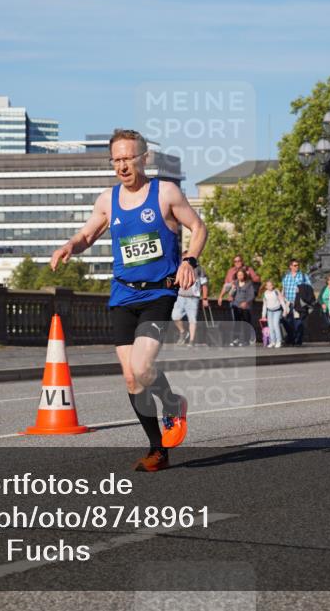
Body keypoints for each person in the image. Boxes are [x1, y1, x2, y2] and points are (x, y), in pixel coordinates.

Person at [51, 129, 206, 472]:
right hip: (123, 293)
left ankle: (173, 403)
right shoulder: (108, 200)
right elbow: (88, 234)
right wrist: (68, 247)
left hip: (158, 293)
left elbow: (199, 228)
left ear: (143, 158)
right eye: (116, 159)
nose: (122, 166)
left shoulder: (165, 192)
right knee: (132, 379)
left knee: (142, 366)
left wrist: (188, 260)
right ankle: (157, 450)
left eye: (128, 158)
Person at [172, 251, 209, 346]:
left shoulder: (199, 269)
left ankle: (191, 341)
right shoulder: (179, 268)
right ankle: (183, 332)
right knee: (175, 317)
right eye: (184, 258)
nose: (185, 261)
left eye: (187, 258)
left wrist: (205, 298)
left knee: (192, 320)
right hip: (180, 297)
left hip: (193, 298)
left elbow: (204, 284)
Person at [281, 259, 312, 346]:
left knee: (298, 323)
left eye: (297, 265)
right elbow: (283, 289)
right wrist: (282, 299)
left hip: (299, 303)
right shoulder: (286, 277)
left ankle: (298, 341)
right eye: (295, 265)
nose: (297, 267)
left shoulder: (303, 276)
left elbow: (309, 287)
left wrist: (301, 288)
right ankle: (291, 339)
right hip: (288, 303)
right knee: (287, 322)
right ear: (290, 266)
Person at [227, 269, 256, 345]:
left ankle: (246, 340)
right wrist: (230, 295)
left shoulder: (249, 284)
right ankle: (236, 339)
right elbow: (230, 293)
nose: (239, 276)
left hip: (245, 306)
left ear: (244, 275)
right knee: (237, 323)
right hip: (236, 305)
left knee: (246, 323)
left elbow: (252, 295)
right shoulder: (235, 283)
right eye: (238, 275)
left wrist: (246, 302)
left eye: (241, 275)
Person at [261, 279, 286, 348]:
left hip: (277, 311)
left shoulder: (276, 291)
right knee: (270, 327)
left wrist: (285, 310)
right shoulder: (265, 294)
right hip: (269, 312)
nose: (270, 287)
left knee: (276, 325)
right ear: (266, 286)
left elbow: (281, 301)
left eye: (271, 285)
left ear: (273, 286)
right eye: (268, 285)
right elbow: (265, 305)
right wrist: (263, 315)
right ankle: (273, 341)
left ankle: (279, 341)